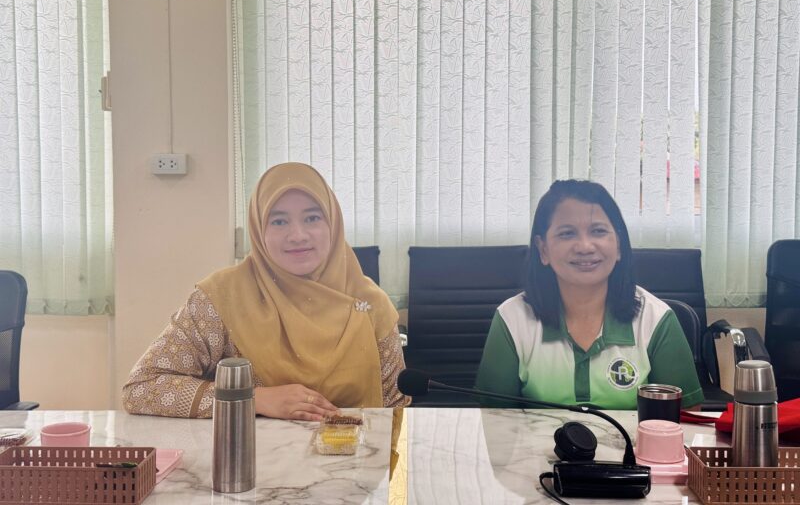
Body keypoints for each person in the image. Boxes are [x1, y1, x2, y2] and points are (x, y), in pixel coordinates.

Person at [123, 162, 409, 419]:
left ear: (333, 224)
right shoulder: (222, 299)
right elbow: (142, 388)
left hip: (355, 455)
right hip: (246, 456)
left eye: (312, 218)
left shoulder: (370, 304)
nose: (298, 235)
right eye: (279, 221)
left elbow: (397, 409)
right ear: (259, 230)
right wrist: (252, 398)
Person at [475, 179, 703, 409]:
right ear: (543, 249)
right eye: (567, 233)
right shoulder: (512, 318)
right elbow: (493, 419)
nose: (585, 246)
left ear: (619, 245)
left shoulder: (656, 318)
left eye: (598, 231)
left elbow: (686, 417)